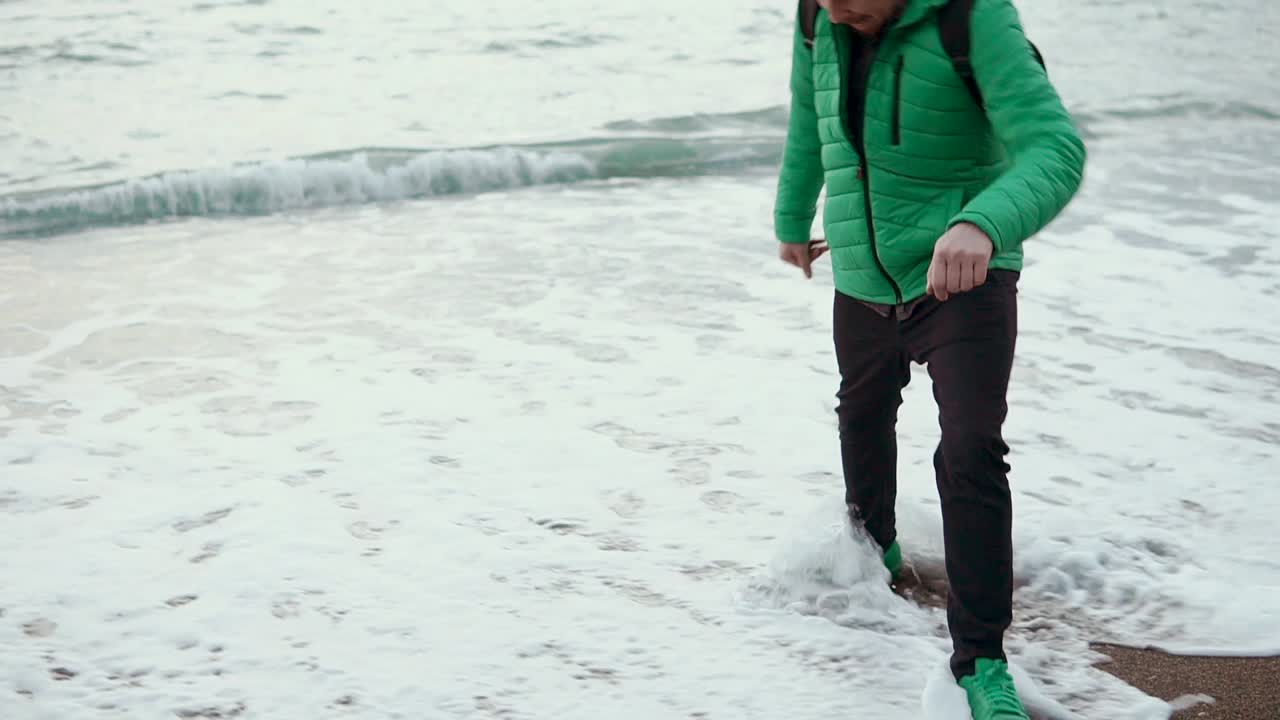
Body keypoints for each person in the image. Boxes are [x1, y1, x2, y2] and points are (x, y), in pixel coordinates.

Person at [772, 0, 1086, 717]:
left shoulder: (974, 18)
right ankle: (874, 549)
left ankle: (979, 663)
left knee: (971, 449)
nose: (834, 9)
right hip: (861, 271)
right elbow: (808, 112)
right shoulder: (820, 16)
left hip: (964, 275)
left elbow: (1054, 147)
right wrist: (793, 215)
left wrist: (984, 222)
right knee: (862, 409)